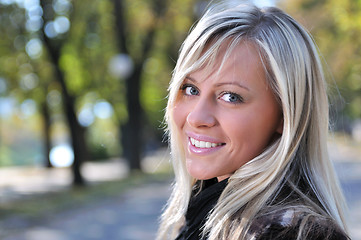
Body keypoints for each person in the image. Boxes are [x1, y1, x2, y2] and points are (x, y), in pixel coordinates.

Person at [157, 1, 349, 239]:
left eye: (230, 96)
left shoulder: (293, 234)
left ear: (285, 116)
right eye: (190, 89)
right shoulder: (203, 210)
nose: (196, 117)